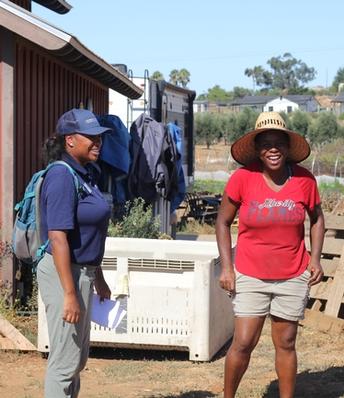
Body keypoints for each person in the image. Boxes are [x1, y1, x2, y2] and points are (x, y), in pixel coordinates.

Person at [215, 111, 325, 398]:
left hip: (292, 273)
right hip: (250, 273)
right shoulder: (243, 178)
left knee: (286, 342)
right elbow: (223, 222)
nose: (273, 149)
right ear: (257, 148)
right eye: (266, 143)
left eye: (279, 143)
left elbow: (317, 218)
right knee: (243, 341)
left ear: (288, 148)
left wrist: (315, 259)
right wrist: (227, 268)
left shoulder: (305, 180)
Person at [37, 108, 112, 398]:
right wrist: (69, 293)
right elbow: (58, 238)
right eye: (90, 137)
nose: (98, 142)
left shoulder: (87, 174)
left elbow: (90, 235)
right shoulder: (61, 176)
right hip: (64, 274)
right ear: (70, 140)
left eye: (99, 137)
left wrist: (99, 276)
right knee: (65, 362)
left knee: (77, 358)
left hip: (82, 273)